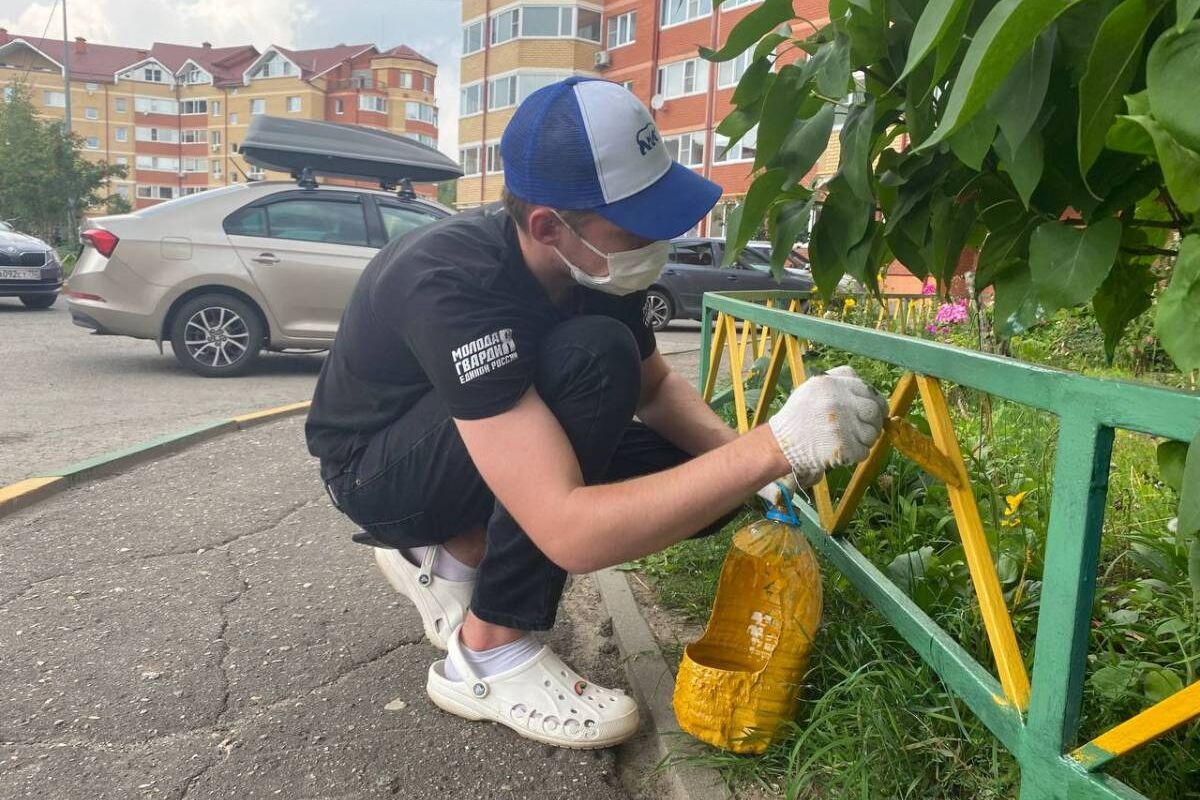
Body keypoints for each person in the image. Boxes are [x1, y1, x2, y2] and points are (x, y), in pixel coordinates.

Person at [305, 77, 887, 750]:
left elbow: (654, 390)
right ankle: (486, 650)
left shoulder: (594, 264)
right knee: (595, 357)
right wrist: (775, 445)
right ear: (550, 225)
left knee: (709, 481)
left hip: (480, 438)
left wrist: (751, 460)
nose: (663, 234)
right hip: (378, 472)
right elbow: (567, 531)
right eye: (637, 219)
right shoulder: (452, 281)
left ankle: (459, 549)